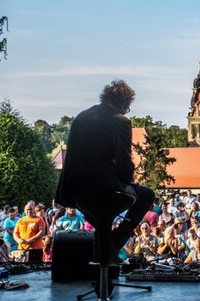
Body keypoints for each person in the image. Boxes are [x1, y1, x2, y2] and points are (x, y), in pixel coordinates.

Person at [54, 80, 155, 255]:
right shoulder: (120, 121)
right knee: (146, 196)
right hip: (104, 191)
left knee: (97, 217)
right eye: (127, 107)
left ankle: (105, 250)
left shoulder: (82, 116)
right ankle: (115, 243)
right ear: (123, 103)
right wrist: (128, 182)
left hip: (74, 191)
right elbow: (124, 162)